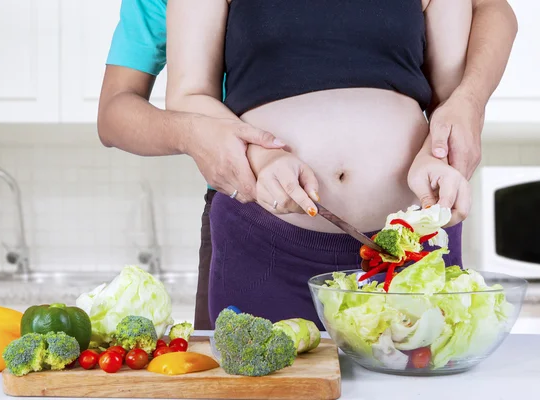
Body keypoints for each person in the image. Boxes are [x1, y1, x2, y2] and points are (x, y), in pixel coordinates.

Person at [98, 0, 517, 329]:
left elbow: (452, 97)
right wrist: (262, 157)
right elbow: (180, 97)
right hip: (268, 240)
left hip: (413, 247)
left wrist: (442, 155)